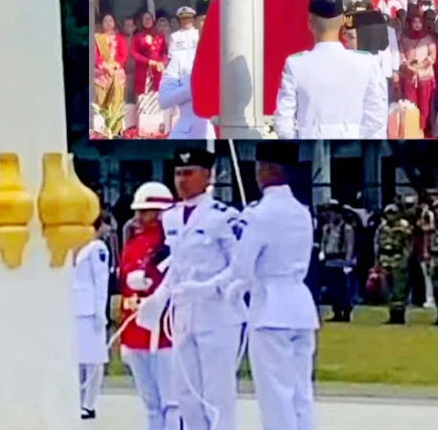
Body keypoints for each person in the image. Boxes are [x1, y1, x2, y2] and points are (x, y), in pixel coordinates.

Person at [138, 149, 245, 430]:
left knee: (217, 393)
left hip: (219, 314)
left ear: (207, 176)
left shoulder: (224, 216)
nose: (181, 180)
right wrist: (159, 298)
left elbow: (240, 266)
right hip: (184, 315)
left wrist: (208, 287)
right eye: (177, 174)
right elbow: (177, 265)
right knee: (186, 394)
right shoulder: (171, 217)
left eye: (188, 173)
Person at [223, 142, 318, 430]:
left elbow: (241, 268)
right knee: (301, 391)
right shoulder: (302, 212)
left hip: (270, 308)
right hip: (301, 306)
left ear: (267, 170)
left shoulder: (259, 215)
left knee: (275, 394)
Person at [274, 0, 388, 139]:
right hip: (352, 144)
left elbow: (283, 123)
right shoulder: (366, 63)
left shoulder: (296, 64)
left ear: (309, 23)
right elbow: (376, 117)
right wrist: (351, 137)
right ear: (343, 21)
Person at [119, 182, 180, 430]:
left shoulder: (173, 244)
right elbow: (125, 288)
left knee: (172, 402)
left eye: (145, 212)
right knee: (151, 403)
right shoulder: (133, 244)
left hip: (165, 333)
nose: (138, 217)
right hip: (136, 330)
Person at [72, 218, 110, 421]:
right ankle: (77, 400)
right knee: (78, 359)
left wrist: (100, 311)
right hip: (74, 309)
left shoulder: (97, 248)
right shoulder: (72, 246)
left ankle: (89, 403)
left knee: (93, 360)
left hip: (91, 310)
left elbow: (101, 281)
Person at [159, 7, 215, 139]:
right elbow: (164, 100)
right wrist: (193, 88)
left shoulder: (225, 60)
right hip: (188, 131)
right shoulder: (180, 57)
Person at [375, 204, 413, 324]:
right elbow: (377, 244)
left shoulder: (404, 226)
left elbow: (408, 245)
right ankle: (392, 313)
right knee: (387, 289)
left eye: (393, 213)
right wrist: (377, 262)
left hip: (398, 258)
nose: (390, 216)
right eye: (388, 213)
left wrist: (405, 260)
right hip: (385, 258)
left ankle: (399, 316)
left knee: (399, 289)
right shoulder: (382, 227)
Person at [399, 9, 436, 133]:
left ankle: (421, 129)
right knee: (411, 104)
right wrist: (407, 66)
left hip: (424, 76)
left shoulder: (428, 38)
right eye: (414, 22)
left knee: (424, 105)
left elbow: (432, 55)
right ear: (410, 23)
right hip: (409, 76)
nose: (417, 24)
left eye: (419, 22)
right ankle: (412, 129)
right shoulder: (404, 38)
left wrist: (421, 66)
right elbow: (400, 54)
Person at [94, 12, 128, 134]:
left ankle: (116, 130)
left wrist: (114, 66)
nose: (108, 23)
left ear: (114, 23)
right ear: (101, 24)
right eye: (105, 21)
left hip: (117, 72)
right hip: (102, 73)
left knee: (116, 100)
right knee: (102, 102)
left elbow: (123, 55)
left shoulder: (120, 38)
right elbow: (95, 56)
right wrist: (105, 66)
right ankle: (104, 129)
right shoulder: (97, 38)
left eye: (110, 20)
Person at [320, 204, 355, 322]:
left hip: (341, 260)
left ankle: (346, 311)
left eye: (334, 213)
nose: (332, 215)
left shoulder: (346, 228)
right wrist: (322, 253)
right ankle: (336, 311)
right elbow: (324, 242)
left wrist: (348, 261)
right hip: (329, 260)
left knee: (343, 288)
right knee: (332, 288)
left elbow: (349, 245)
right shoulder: (327, 228)